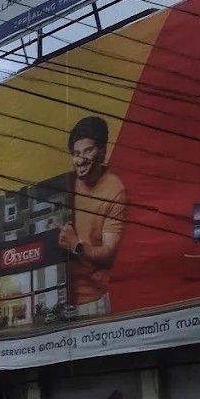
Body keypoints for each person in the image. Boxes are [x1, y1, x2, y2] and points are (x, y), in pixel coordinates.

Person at [57, 115, 127, 319]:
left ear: (102, 151)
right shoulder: (67, 182)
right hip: (57, 300)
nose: (80, 160)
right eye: (76, 153)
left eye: (88, 151)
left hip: (92, 302)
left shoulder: (114, 189)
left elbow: (109, 253)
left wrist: (76, 246)